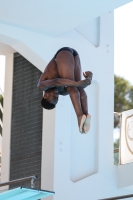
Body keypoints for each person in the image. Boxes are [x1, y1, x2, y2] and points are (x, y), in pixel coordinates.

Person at [37, 47, 92, 133]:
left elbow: (56, 81)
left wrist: (77, 84)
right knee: (77, 88)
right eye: (57, 98)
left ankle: (79, 116)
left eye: (54, 97)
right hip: (75, 55)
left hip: (63, 53)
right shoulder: (62, 91)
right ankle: (86, 114)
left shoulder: (42, 86)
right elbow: (82, 85)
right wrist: (89, 78)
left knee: (72, 86)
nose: (57, 95)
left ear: (45, 96)